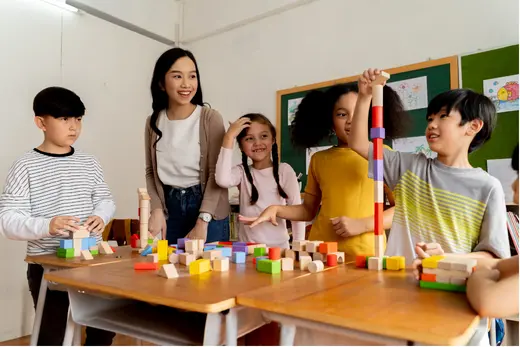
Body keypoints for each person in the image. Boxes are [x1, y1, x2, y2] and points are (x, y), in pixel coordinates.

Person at [348, 68, 511, 265]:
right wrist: (365, 97)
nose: (432, 125)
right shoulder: (409, 168)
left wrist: (445, 259)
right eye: (430, 119)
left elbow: (494, 256)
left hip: (446, 286)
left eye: (443, 117)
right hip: (396, 285)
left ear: (473, 126)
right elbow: (357, 143)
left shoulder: (487, 187)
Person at [0, 87, 116, 345]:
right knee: (51, 334)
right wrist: (47, 226)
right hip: (48, 266)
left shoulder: (90, 162)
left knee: (104, 327)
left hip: (90, 262)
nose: (73, 127)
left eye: (78, 119)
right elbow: (7, 221)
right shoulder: (25, 165)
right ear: (41, 122)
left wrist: (101, 214)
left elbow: (105, 199)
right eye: (64, 119)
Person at [245, 82, 408, 256]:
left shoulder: (382, 155)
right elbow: (308, 210)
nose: (351, 120)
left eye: (358, 112)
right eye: (342, 114)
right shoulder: (319, 159)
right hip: (321, 254)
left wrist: (362, 224)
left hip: (366, 255)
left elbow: (403, 210)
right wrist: (276, 209)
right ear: (330, 121)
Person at [145, 48, 230, 244]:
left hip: (207, 209)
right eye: (177, 76)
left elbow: (215, 174)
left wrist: (203, 220)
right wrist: (156, 209)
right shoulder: (153, 122)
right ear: (161, 83)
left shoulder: (210, 118)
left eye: (192, 76)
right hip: (170, 207)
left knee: (210, 272)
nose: (186, 84)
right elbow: (151, 171)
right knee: (173, 270)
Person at [215, 113, 304, 248]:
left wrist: (299, 247)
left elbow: (298, 213)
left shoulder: (284, 171)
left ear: (273, 139)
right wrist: (229, 137)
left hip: (279, 249)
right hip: (247, 249)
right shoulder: (241, 172)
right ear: (241, 146)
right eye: (249, 138)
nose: (257, 143)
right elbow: (222, 180)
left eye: (264, 136)